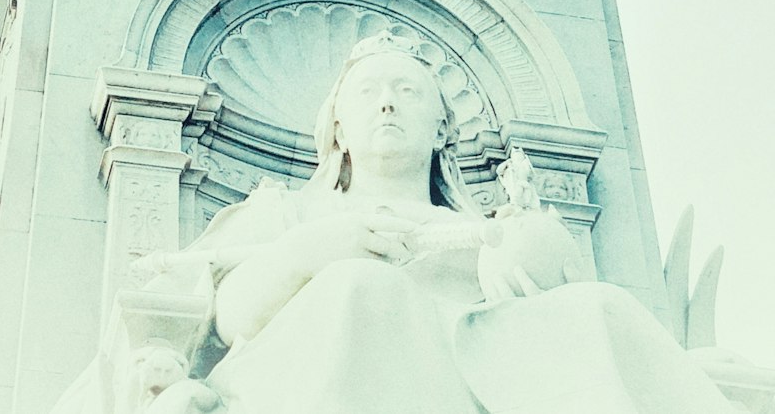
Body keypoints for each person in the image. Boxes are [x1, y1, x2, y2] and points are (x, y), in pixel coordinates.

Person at [131, 34, 733, 414]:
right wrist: (304, 253)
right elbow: (228, 321)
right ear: (337, 128)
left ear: (443, 128)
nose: (388, 102)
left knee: (601, 305)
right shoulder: (289, 212)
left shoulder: (479, 227)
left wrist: (528, 249)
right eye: (368, 92)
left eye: (408, 92)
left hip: (481, 368)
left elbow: (551, 294)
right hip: (321, 372)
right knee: (363, 287)